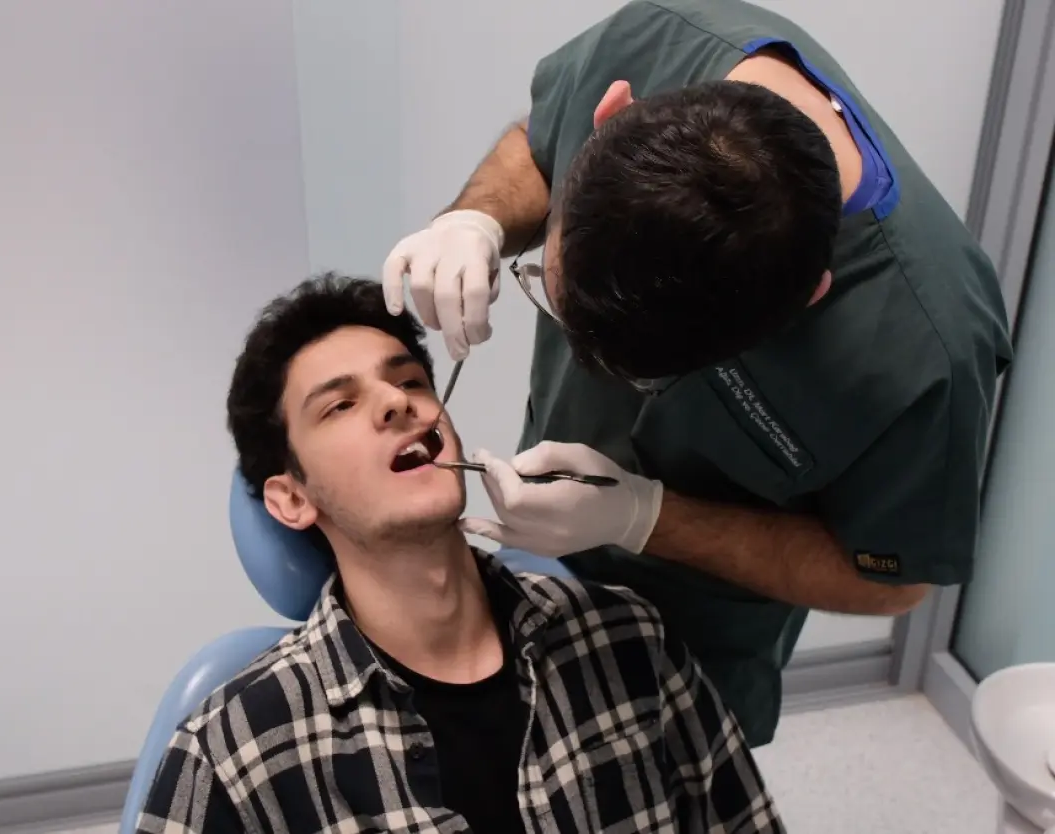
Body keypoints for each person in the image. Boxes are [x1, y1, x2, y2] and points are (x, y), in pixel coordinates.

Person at [382, 0, 1013, 748]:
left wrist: (645, 518)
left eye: (644, 374)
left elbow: (892, 580)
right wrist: (476, 219)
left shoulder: (926, 359)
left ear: (810, 297)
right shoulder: (658, 38)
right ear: (611, 115)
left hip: (694, 653)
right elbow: (540, 142)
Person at [135, 274, 785, 834]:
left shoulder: (629, 639)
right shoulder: (232, 751)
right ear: (292, 499)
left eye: (411, 381)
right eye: (340, 405)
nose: (397, 402)